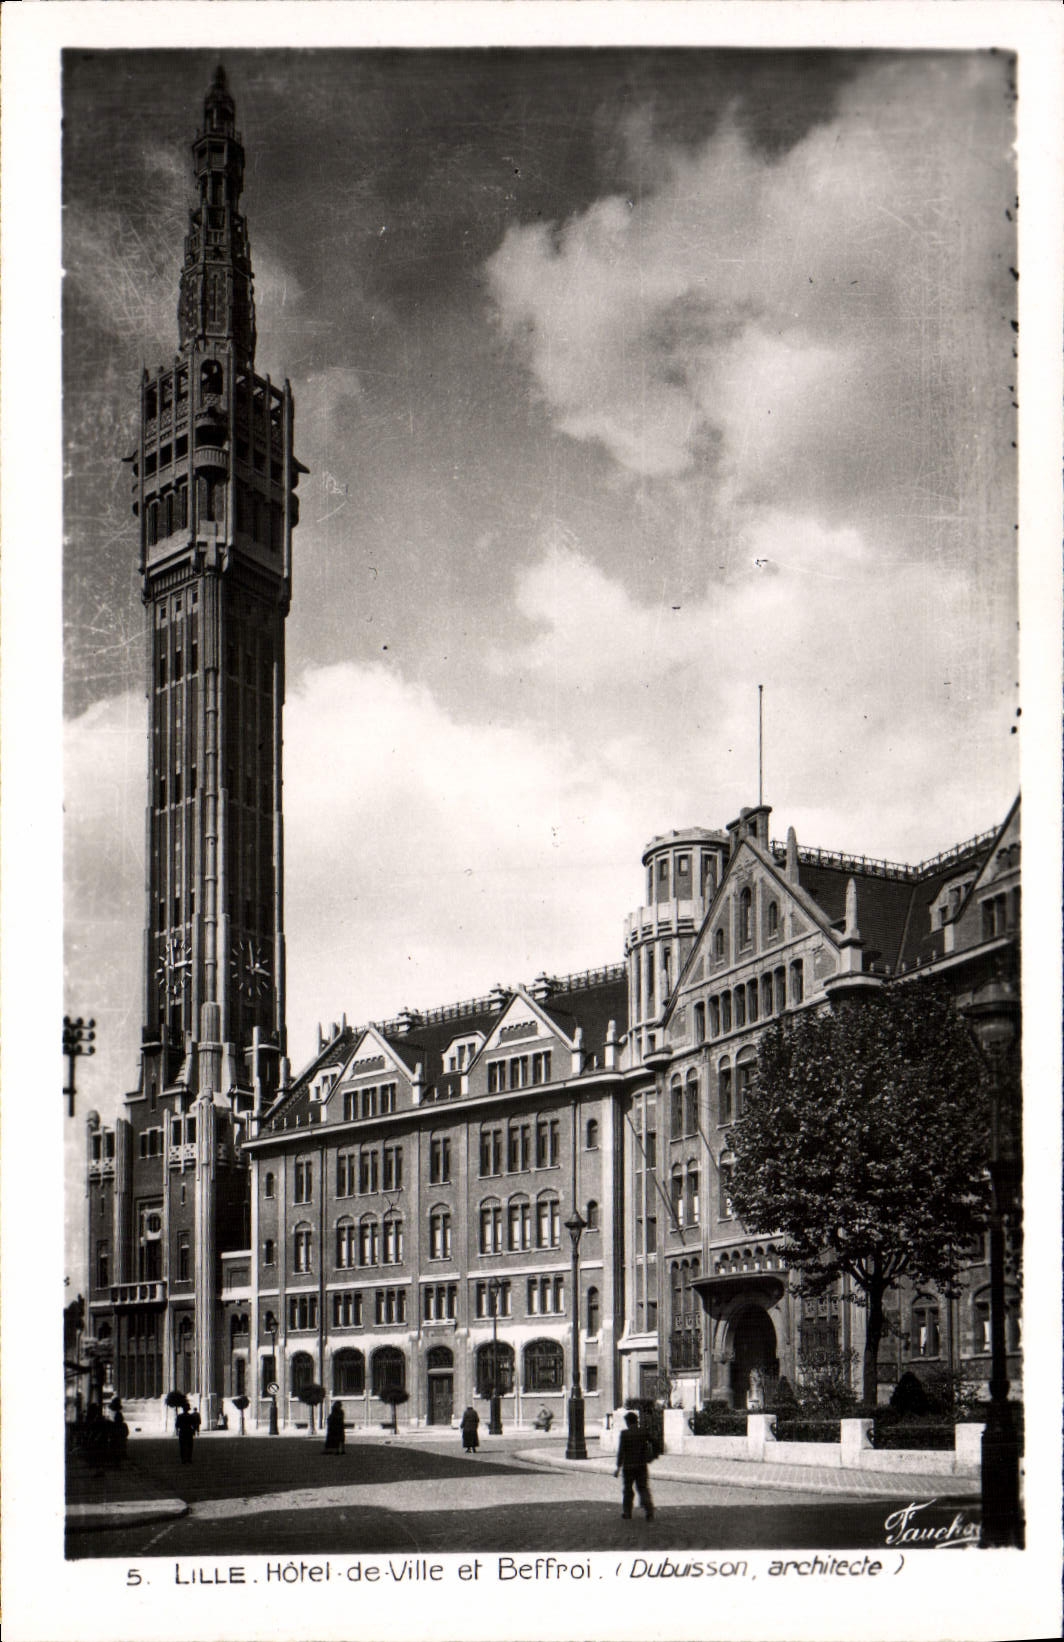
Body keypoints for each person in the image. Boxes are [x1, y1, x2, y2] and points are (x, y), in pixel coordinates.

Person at [614, 1411, 655, 1520]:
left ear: (627, 1422)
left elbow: (621, 1451)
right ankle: (649, 1511)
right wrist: (650, 1455)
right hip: (641, 1465)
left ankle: (627, 1513)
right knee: (643, 1488)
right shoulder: (643, 1432)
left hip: (628, 1466)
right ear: (636, 1421)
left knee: (627, 1490)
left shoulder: (624, 1434)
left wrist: (618, 1467)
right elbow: (654, 1442)